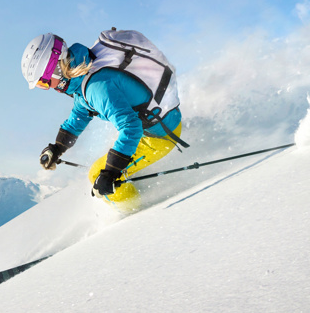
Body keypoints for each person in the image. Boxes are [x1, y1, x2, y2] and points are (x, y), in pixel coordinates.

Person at [20, 31, 186, 209]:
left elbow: (131, 127)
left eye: (44, 83)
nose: (47, 88)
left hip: (160, 137)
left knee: (96, 175)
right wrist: (57, 148)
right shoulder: (84, 72)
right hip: (159, 124)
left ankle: (138, 215)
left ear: (55, 69)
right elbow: (80, 114)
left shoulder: (96, 88)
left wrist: (111, 172)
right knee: (103, 171)